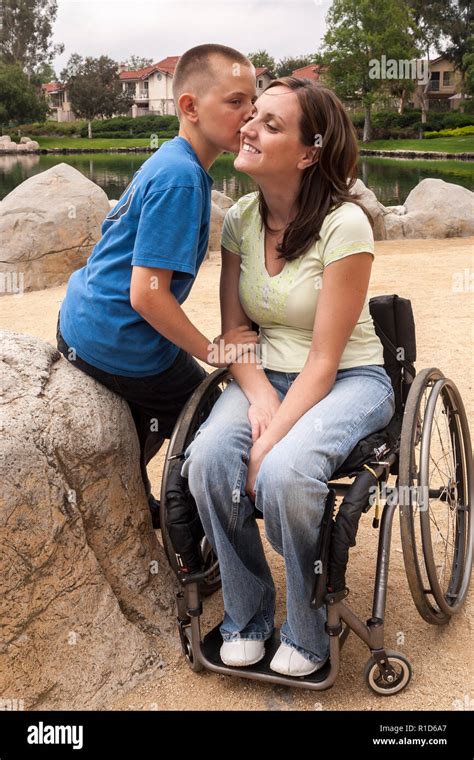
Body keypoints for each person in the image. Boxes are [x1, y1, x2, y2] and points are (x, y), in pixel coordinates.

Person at [181, 78, 396, 677]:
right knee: (207, 462)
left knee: (282, 473)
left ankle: (306, 625)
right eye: (253, 116)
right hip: (261, 372)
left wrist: (269, 441)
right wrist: (257, 401)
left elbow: (325, 361)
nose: (248, 127)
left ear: (308, 153)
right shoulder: (241, 220)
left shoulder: (345, 225)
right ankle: (247, 616)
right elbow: (236, 337)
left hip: (348, 377)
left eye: (271, 124)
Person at [56, 44, 259, 528]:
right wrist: (213, 349)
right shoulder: (183, 180)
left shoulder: (172, 161)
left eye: (253, 103)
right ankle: (187, 529)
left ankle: (134, 495)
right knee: (212, 414)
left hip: (82, 320)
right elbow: (146, 294)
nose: (249, 115)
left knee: (168, 401)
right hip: (116, 338)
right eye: (235, 102)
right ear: (189, 107)